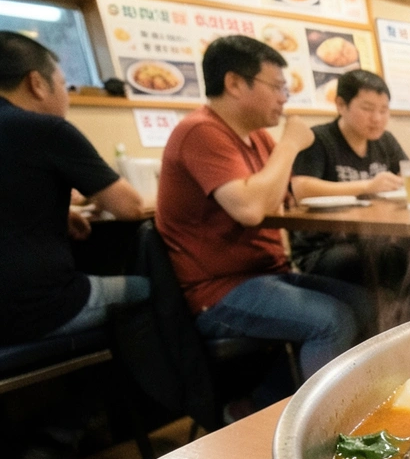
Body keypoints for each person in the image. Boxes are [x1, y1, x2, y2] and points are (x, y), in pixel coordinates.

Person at [155, 36, 372, 394]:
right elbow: (252, 209)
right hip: (219, 289)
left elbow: (289, 193)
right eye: (277, 86)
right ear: (235, 83)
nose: (284, 97)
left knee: (365, 303)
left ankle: (262, 404)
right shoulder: (200, 131)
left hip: (268, 273)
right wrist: (289, 143)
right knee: (331, 322)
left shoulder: (257, 139)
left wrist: (365, 187)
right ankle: (324, 427)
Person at [0, 31, 147, 346]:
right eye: (64, 84)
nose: (65, 94)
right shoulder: (45, 130)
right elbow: (129, 206)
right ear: (36, 83)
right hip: (36, 310)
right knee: (154, 289)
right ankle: (179, 392)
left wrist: (59, 212)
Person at [290, 70, 408, 285]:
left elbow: (406, 176)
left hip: (372, 238)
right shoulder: (318, 138)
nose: (377, 118)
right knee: (384, 261)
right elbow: (301, 187)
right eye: (367, 109)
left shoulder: (385, 140)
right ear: (341, 105)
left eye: (384, 110)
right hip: (323, 247)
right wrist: (367, 185)